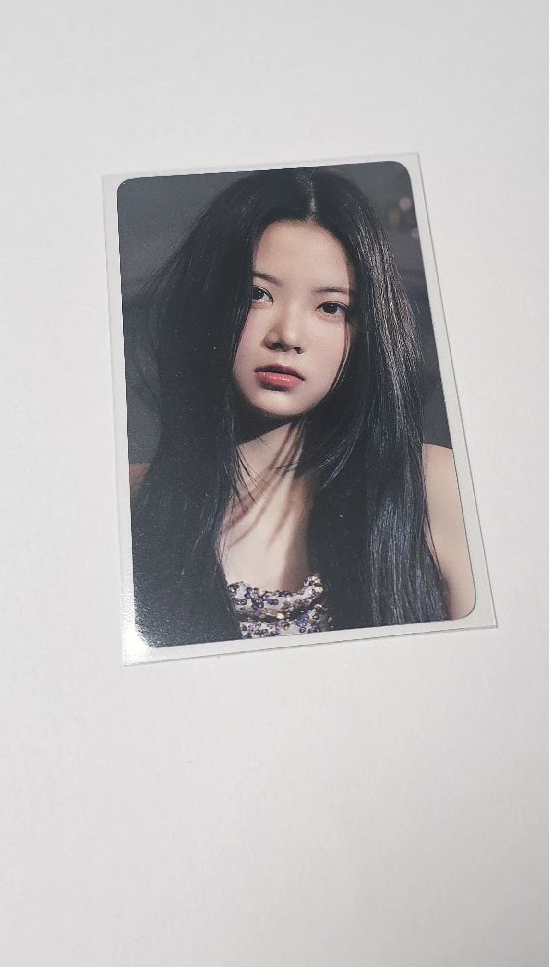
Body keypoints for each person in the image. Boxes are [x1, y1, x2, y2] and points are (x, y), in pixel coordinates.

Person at [126, 166, 475, 647]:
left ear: (365, 328)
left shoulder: (430, 487)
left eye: (331, 307)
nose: (288, 335)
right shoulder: (128, 507)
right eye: (257, 295)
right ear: (207, 303)